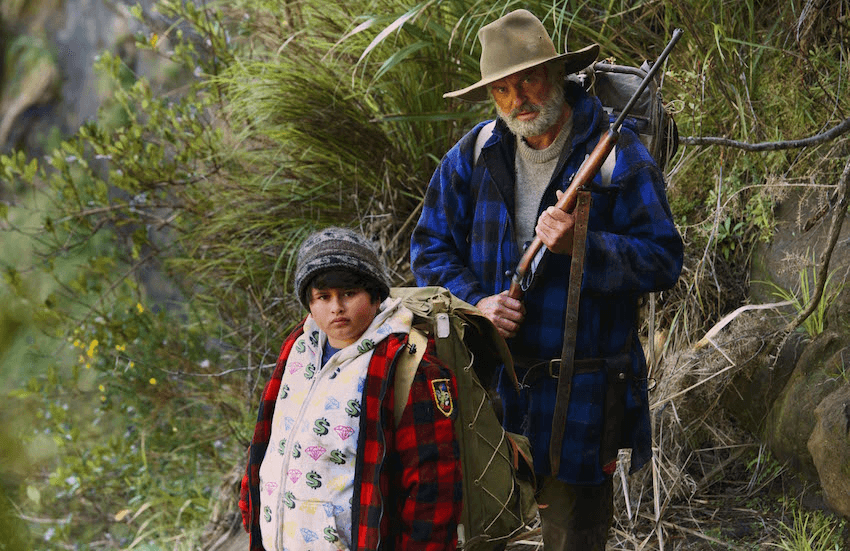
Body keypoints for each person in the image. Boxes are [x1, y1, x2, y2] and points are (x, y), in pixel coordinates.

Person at [410, 9, 683, 551]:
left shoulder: (616, 153)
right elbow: (429, 248)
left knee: (573, 541)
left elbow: (663, 259)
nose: (518, 99)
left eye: (529, 79)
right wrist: (477, 304)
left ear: (557, 74)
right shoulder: (474, 154)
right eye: (503, 89)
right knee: (483, 534)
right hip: (493, 391)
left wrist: (584, 244)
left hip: (581, 397)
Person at [240, 227, 462, 551]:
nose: (336, 307)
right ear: (309, 302)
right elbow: (268, 438)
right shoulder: (299, 348)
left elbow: (433, 484)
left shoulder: (407, 366)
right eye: (323, 296)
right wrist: (251, 509)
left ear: (375, 295)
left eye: (349, 293)